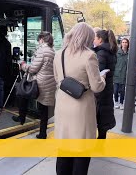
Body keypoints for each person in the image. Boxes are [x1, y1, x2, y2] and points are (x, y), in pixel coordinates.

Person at [53, 22, 106, 175]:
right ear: (87, 38)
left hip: (63, 105)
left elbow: (58, 80)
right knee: (81, 149)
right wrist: (103, 78)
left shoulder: (59, 54)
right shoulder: (89, 55)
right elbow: (96, 87)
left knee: (64, 147)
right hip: (81, 108)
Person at [12, 31, 56, 139]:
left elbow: (33, 69)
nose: (38, 41)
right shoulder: (52, 51)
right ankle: (42, 132)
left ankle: (22, 118)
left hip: (39, 83)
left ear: (42, 39)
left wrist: (23, 65)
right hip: (49, 83)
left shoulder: (42, 51)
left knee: (22, 94)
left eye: (39, 39)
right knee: (43, 109)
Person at [93, 29, 118, 139]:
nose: (93, 40)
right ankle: (101, 139)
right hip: (108, 87)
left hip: (101, 89)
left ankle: (99, 142)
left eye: (95, 38)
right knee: (104, 114)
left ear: (100, 39)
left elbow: (98, 73)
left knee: (99, 114)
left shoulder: (101, 53)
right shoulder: (110, 51)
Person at [113, 38, 129, 110]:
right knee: (115, 90)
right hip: (116, 74)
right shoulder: (117, 52)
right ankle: (116, 101)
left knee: (122, 90)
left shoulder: (129, 53)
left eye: (126, 42)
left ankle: (121, 102)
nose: (124, 44)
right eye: (123, 42)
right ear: (121, 43)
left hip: (124, 74)